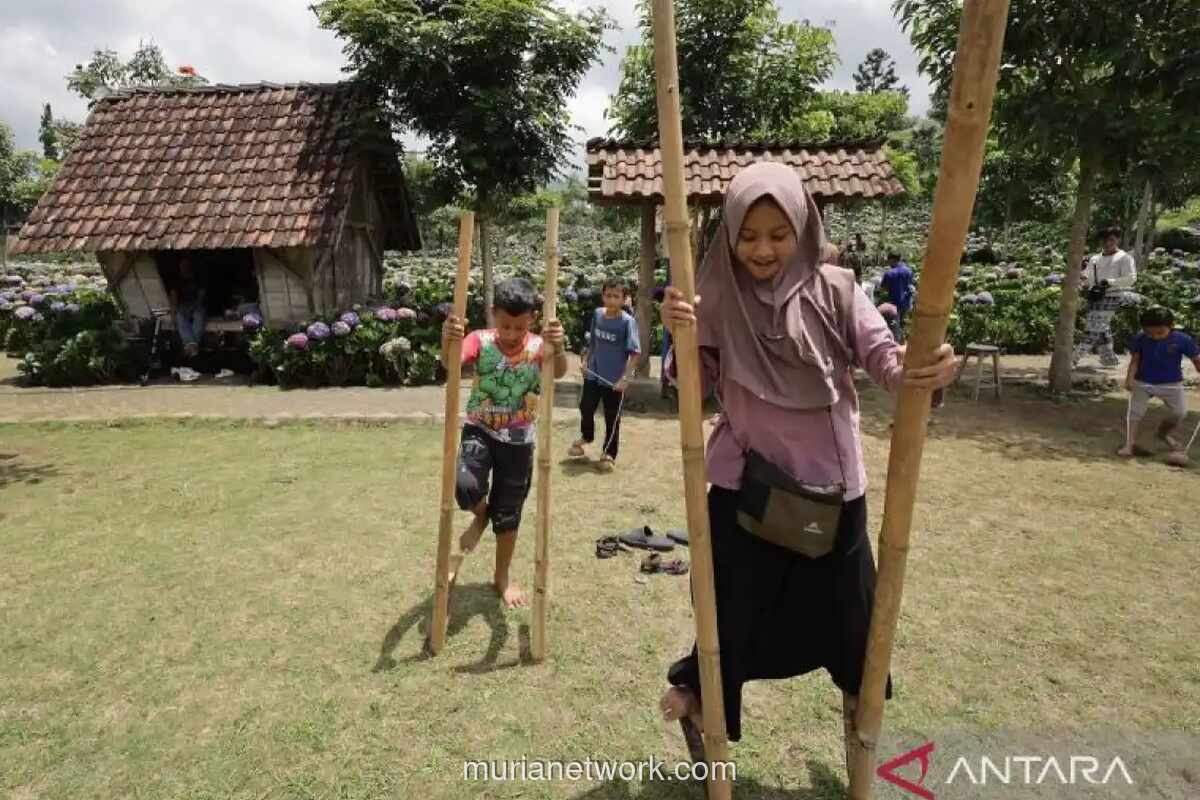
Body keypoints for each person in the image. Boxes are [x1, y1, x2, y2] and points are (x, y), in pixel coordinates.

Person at [655, 163, 959, 764]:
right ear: (730, 235)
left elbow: (883, 359)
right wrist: (680, 339)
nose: (762, 249)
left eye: (777, 233)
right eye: (748, 234)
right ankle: (700, 700)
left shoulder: (838, 288)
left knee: (851, 622)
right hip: (746, 487)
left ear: (802, 226)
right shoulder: (711, 296)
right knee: (729, 610)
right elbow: (694, 386)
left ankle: (859, 724)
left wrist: (920, 370)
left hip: (830, 491)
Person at [441, 278, 567, 608]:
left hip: (519, 443)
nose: (511, 334)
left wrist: (560, 347)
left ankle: (502, 578)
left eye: (519, 327)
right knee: (465, 488)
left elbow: (558, 373)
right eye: (505, 325)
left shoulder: (540, 346)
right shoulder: (478, 340)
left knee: (508, 515)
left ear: (533, 320)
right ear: (494, 314)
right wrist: (448, 340)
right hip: (479, 431)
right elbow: (449, 364)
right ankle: (481, 516)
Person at [568, 277, 641, 472]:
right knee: (586, 406)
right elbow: (592, 342)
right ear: (602, 296)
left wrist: (625, 378)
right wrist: (585, 361)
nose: (610, 300)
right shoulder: (598, 315)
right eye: (607, 295)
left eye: (616, 296)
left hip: (614, 380)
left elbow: (634, 353)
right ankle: (587, 436)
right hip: (593, 374)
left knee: (612, 417)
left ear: (624, 299)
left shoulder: (627, 323)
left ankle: (609, 453)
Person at [1119, 306, 1200, 460]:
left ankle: (1162, 434)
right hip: (1143, 382)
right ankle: (1129, 445)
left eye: (1160, 332)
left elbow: (1196, 361)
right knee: (1135, 413)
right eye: (1150, 333)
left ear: (1171, 326)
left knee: (1179, 413)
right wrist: (1130, 378)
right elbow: (1135, 361)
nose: (1155, 336)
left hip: (1171, 383)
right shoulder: (1140, 338)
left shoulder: (1183, 340)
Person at [1074, 227, 1137, 369]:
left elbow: (1131, 279)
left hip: (1112, 295)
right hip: (1095, 296)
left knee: (1094, 328)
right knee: (1101, 327)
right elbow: (1088, 277)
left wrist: (1110, 282)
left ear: (1117, 240)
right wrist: (1082, 279)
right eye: (1104, 240)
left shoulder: (1125, 258)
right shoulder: (1095, 258)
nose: (1107, 243)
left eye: (1111, 240)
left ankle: (1073, 358)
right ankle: (1109, 360)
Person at [171, 257, 207, 359]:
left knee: (198, 315)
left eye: (186, 266)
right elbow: (174, 298)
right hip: (183, 307)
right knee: (179, 316)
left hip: (197, 305)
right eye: (182, 267)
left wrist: (194, 306)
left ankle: (189, 346)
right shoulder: (176, 281)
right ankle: (193, 346)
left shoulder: (198, 279)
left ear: (190, 267)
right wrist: (173, 314)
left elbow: (201, 296)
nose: (184, 268)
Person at [879, 251, 915, 342]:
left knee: (894, 327)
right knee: (903, 325)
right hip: (906, 303)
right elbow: (910, 285)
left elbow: (882, 289)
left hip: (894, 304)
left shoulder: (890, 274)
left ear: (892, 260)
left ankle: (897, 346)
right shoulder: (909, 271)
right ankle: (904, 343)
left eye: (889, 261)